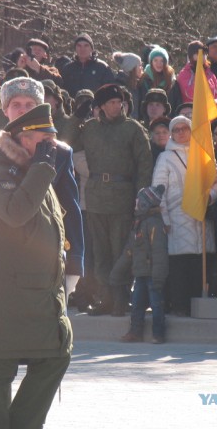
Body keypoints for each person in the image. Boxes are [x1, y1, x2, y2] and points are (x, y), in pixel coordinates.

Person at [0, 103, 72, 429]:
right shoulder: (0, 175)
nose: (51, 145)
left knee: (57, 355)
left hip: (38, 298)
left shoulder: (34, 172)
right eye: (44, 138)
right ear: (25, 140)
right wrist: (41, 168)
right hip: (5, 302)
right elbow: (15, 213)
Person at [0, 77, 84, 301]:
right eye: (16, 104)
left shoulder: (60, 153)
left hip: (43, 258)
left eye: (29, 105)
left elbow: (69, 209)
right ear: (5, 110)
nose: (22, 110)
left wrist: (74, 261)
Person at [64, 83, 152, 316]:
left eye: (119, 102)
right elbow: (65, 143)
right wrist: (76, 117)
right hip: (95, 197)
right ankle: (106, 298)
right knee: (100, 251)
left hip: (122, 195)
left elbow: (144, 164)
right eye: (111, 103)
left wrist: (141, 195)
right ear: (101, 106)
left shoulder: (132, 129)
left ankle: (121, 298)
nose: (116, 106)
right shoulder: (90, 128)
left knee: (121, 250)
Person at [152, 115, 217, 316]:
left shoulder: (203, 153)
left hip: (200, 216)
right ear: (172, 134)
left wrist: (210, 197)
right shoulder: (165, 157)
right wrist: (164, 218)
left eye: (185, 128)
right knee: (180, 265)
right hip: (176, 217)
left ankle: (199, 306)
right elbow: (158, 190)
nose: (181, 132)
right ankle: (180, 306)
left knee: (200, 264)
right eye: (177, 130)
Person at [114, 185, 169, 344]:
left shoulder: (154, 224)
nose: (135, 204)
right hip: (140, 273)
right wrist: (117, 271)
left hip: (152, 273)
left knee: (156, 304)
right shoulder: (138, 223)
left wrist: (159, 276)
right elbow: (130, 250)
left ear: (145, 204)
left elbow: (159, 252)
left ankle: (158, 333)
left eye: (138, 202)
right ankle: (135, 331)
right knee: (137, 303)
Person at [113, 51, 143, 117]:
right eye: (139, 65)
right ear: (132, 68)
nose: (141, 68)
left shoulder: (136, 84)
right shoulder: (119, 86)